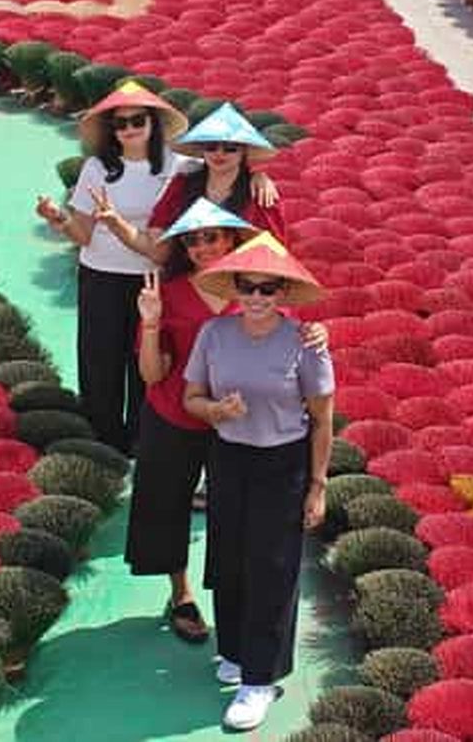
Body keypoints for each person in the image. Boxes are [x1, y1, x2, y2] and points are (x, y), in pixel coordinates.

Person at [125, 201, 329, 647]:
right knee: (166, 508)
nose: (201, 247)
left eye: (211, 237)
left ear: (233, 239)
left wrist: (317, 335)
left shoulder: (258, 285)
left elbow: (292, 337)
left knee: (233, 521)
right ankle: (180, 595)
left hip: (239, 431)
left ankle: (236, 605)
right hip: (175, 416)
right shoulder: (169, 292)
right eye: (192, 239)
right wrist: (152, 323)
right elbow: (151, 375)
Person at [183, 231, 334, 732]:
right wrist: (215, 410)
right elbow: (191, 399)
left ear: (283, 294)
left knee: (272, 567)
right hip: (227, 459)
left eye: (267, 289)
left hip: (283, 465)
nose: (255, 298)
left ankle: (260, 678)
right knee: (228, 558)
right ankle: (233, 650)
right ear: (234, 289)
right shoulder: (214, 335)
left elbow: (322, 418)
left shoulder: (305, 343)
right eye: (247, 287)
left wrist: (317, 485)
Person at [35, 79, 187, 455]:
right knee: (100, 359)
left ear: (153, 124)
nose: (130, 129)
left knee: (146, 360)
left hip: (150, 280)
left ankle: (142, 436)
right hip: (101, 275)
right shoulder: (96, 167)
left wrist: (260, 174)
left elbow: (227, 163)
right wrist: (59, 220)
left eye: (138, 120)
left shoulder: (178, 165)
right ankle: (103, 438)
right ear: (111, 131)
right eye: (121, 123)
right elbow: (84, 234)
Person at [92, 102, 285, 268]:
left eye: (230, 148)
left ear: (244, 152)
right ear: (202, 150)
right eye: (211, 146)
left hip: (239, 289)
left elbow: (275, 254)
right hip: (187, 283)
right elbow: (157, 251)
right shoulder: (182, 185)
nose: (219, 154)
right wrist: (115, 223)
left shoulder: (259, 193)